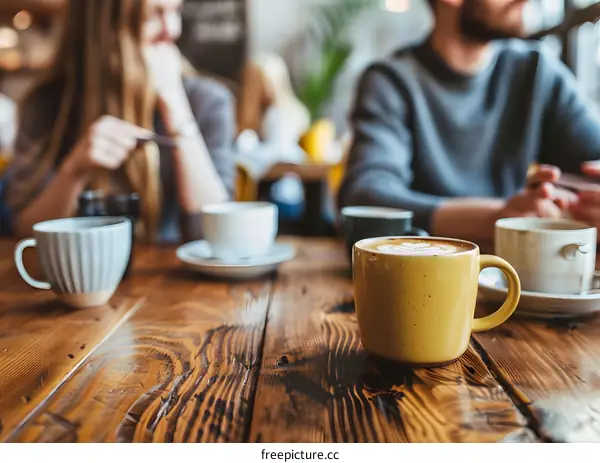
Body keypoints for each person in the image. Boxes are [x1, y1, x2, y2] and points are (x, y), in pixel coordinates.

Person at [338, 0, 600, 244]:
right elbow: (366, 197)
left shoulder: (538, 73)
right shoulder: (390, 81)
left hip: (514, 275)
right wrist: (500, 217)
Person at [6, 0, 235, 243]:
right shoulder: (46, 105)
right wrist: (73, 171)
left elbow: (218, 236)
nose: (172, 30)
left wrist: (176, 108)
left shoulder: (208, 102)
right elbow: (25, 231)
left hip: (176, 279)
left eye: (175, 12)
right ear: (104, 28)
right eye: (153, 15)